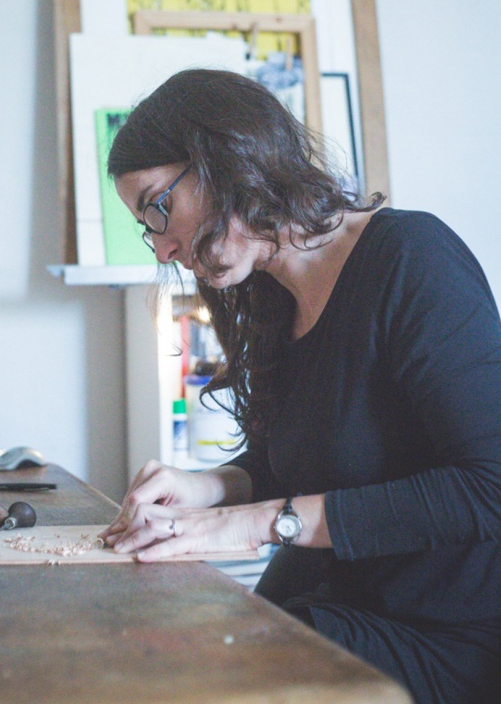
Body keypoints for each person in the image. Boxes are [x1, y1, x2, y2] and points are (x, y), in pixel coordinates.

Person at [100, 67, 501, 704]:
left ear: (226, 154)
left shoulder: (412, 259)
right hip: (334, 601)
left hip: (440, 635)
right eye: (147, 225)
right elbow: (293, 458)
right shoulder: (267, 297)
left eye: (159, 205)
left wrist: (261, 524)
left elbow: (489, 487)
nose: (163, 248)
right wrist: (203, 487)